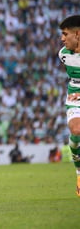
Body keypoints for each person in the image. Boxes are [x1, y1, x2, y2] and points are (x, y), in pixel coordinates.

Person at [58, 14, 80, 196]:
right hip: (74, 98)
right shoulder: (64, 55)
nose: (62, 39)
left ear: (77, 34)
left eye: (65, 34)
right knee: (76, 129)